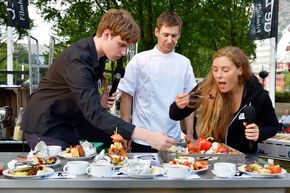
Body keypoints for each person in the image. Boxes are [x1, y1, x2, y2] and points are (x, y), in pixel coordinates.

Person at [21, 9, 176, 150]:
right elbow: (95, 115)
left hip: (70, 124)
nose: (123, 52)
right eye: (121, 45)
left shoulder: (99, 57)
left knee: (116, 139)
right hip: (45, 126)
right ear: (107, 34)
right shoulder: (78, 59)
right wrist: (147, 135)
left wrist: (99, 101)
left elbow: (83, 99)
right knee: (64, 176)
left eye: (126, 47)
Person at [169, 46, 279, 158]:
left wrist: (259, 133)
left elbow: (273, 126)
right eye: (215, 69)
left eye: (225, 70)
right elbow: (175, 115)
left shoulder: (258, 95)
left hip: (245, 159)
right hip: (211, 156)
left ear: (240, 70)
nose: (218, 75)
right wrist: (178, 105)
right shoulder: (207, 87)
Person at [118, 11, 196, 152]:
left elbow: (189, 101)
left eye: (174, 35)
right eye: (166, 35)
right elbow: (127, 96)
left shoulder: (184, 63)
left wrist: (190, 133)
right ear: (156, 32)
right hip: (142, 139)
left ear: (179, 35)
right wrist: (125, 131)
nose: (170, 40)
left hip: (173, 139)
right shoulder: (139, 60)